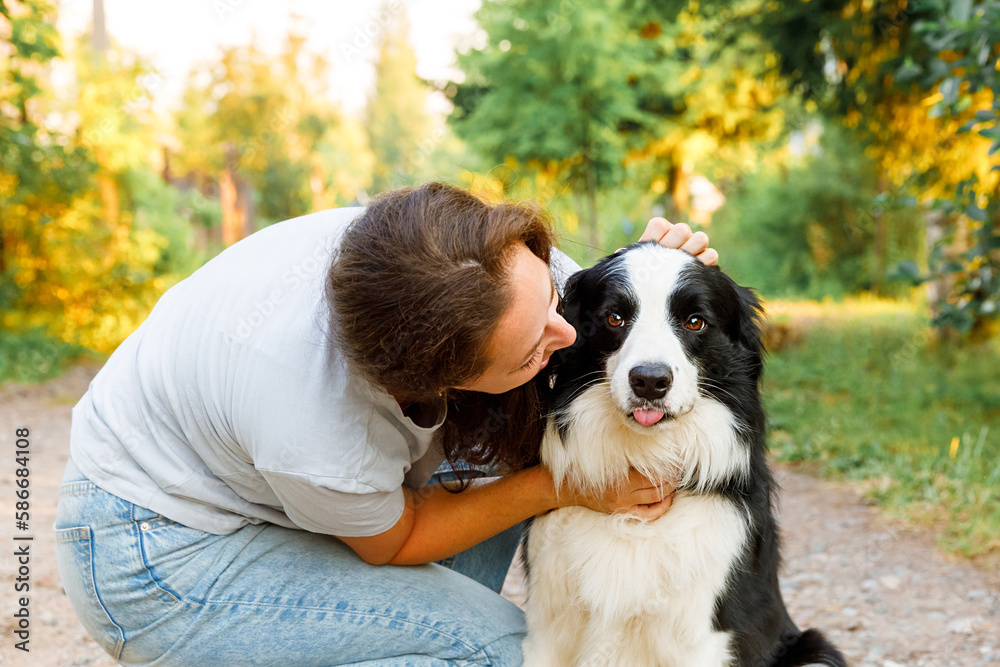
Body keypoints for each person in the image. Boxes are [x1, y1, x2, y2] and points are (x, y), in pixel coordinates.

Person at [54, 182, 718, 666]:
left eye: (548, 294)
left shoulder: (450, 258)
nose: (565, 332)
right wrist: (563, 486)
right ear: (438, 377)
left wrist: (657, 275)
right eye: (531, 349)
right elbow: (398, 540)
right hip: (157, 549)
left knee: (514, 428)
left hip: (253, 473)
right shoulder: (313, 419)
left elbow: (582, 310)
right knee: (496, 652)